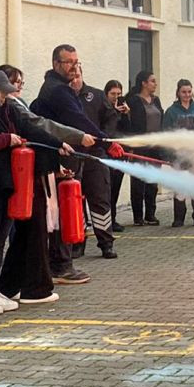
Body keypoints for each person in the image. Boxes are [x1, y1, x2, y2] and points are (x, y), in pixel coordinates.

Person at [0, 70, 73, 316]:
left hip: (5, 185)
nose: (4, 96)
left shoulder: (7, 110)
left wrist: (58, 144)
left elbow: (32, 129)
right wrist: (5, 139)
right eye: (1, 92)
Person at [0, 65, 92, 305]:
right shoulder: (12, 107)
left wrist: (57, 159)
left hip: (32, 173)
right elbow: (40, 127)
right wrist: (74, 137)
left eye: (19, 82)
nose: (18, 87)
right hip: (26, 177)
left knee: (27, 235)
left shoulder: (14, 105)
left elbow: (38, 130)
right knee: (35, 233)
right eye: (13, 82)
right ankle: (36, 288)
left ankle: (9, 285)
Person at [30, 45, 109, 284]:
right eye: (68, 62)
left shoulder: (61, 88)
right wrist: (104, 142)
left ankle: (60, 263)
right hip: (59, 160)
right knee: (61, 211)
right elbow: (78, 120)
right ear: (56, 63)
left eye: (76, 61)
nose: (74, 66)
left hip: (65, 157)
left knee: (65, 210)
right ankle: (61, 266)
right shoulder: (57, 91)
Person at [70, 66, 118, 258]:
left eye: (77, 76)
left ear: (82, 75)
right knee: (75, 202)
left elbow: (112, 118)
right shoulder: (63, 98)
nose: (74, 80)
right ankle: (78, 242)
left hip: (96, 156)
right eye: (71, 77)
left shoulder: (96, 96)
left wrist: (105, 139)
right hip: (72, 156)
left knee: (100, 199)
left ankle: (106, 243)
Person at [163, 79, 194, 227]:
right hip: (179, 157)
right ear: (178, 93)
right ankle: (178, 218)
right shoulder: (171, 112)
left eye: (189, 92)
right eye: (183, 92)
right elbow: (166, 134)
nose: (187, 95)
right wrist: (169, 155)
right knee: (180, 188)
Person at [125, 70, 165, 225]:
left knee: (152, 182)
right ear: (143, 83)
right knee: (138, 181)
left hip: (155, 147)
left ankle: (150, 214)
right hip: (140, 146)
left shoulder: (156, 101)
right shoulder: (134, 101)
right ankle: (138, 217)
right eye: (152, 81)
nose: (155, 84)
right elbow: (130, 124)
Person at [103, 80, 132, 232]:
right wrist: (113, 112)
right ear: (106, 94)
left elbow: (127, 131)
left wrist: (126, 114)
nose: (116, 97)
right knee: (106, 191)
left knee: (115, 190)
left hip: (120, 155)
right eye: (113, 94)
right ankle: (106, 221)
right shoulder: (103, 110)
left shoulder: (122, 111)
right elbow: (107, 130)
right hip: (107, 155)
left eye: (119, 94)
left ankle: (112, 220)